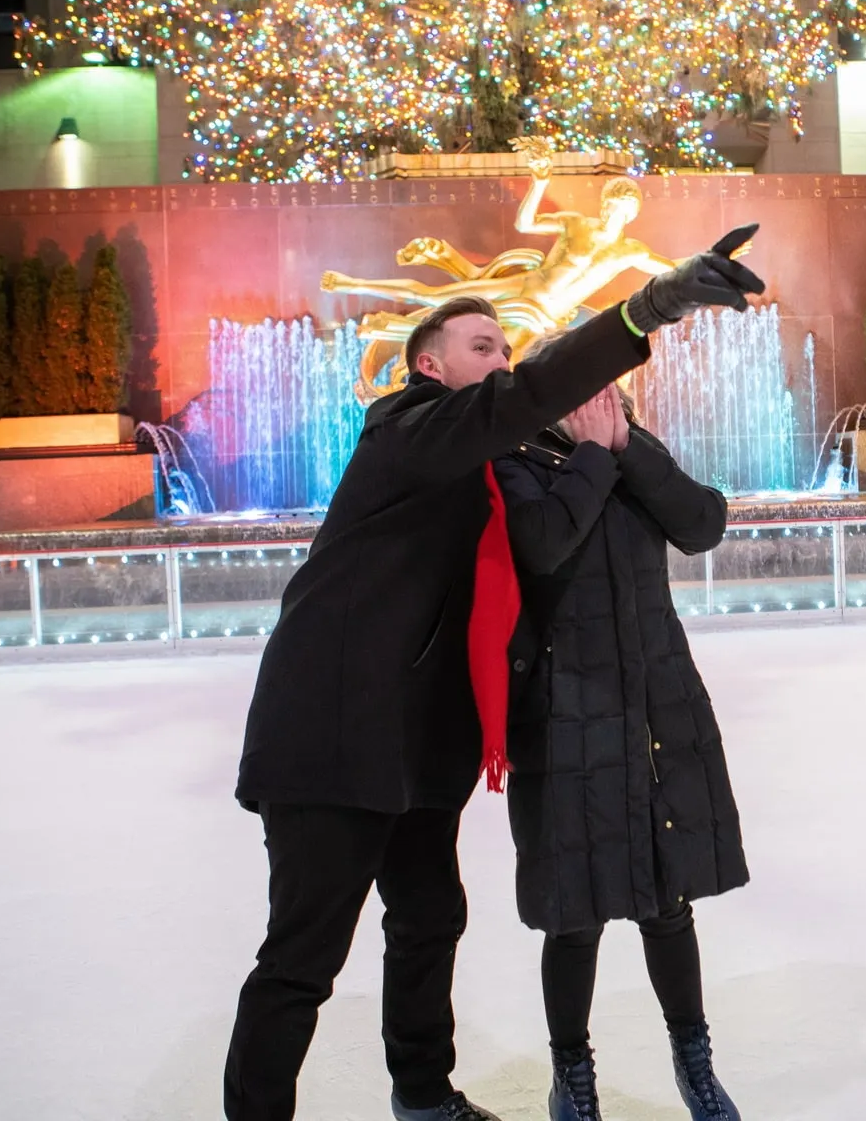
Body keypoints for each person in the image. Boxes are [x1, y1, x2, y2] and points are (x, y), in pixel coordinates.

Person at [224, 226, 765, 1121]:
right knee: (303, 958)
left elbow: (672, 516)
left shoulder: (489, 458)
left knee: (429, 919)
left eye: (507, 349)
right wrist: (651, 306)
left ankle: (423, 1098)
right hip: (333, 737)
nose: (504, 363)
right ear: (429, 366)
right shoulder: (411, 429)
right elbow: (535, 442)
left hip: (416, 742)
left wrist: (613, 447)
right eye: (484, 348)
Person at [494, 365, 746, 1121]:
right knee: (573, 911)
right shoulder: (514, 462)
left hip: (655, 702)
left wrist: (627, 448)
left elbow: (702, 524)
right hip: (564, 708)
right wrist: (592, 457)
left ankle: (695, 1064)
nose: (598, 402)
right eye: (581, 389)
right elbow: (541, 544)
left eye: (605, 389)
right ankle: (571, 1075)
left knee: (668, 899)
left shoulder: (635, 450)